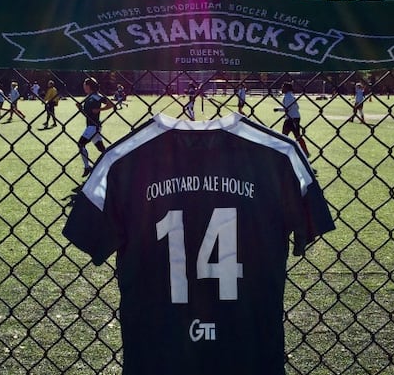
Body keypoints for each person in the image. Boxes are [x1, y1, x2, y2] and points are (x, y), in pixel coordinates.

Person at [63, 113, 334, 375]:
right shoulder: (280, 154)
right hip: (249, 355)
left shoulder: (121, 159)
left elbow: (88, 233)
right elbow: (309, 226)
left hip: (157, 356)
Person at [77, 77, 114, 177]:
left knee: (81, 144)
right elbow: (88, 114)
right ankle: (113, 163)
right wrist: (80, 109)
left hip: (94, 126)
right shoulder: (88, 97)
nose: (83, 86)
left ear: (89, 86)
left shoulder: (97, 96)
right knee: (101, 149)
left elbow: (111, 104)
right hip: (91, 125)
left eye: (85, 84)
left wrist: (100, 109)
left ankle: (87, 167)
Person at [275, 81, 310, 158]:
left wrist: (277, 109)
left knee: (286, 135)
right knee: (295, 136)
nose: (282, 88)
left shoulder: (288, 96)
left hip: (291, 119)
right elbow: (297, 107)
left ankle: (283, 152)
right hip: (294, 117)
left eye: (283, 87)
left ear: (287, 88)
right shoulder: (291, 95)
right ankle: (305, 152)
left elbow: (287, 108)